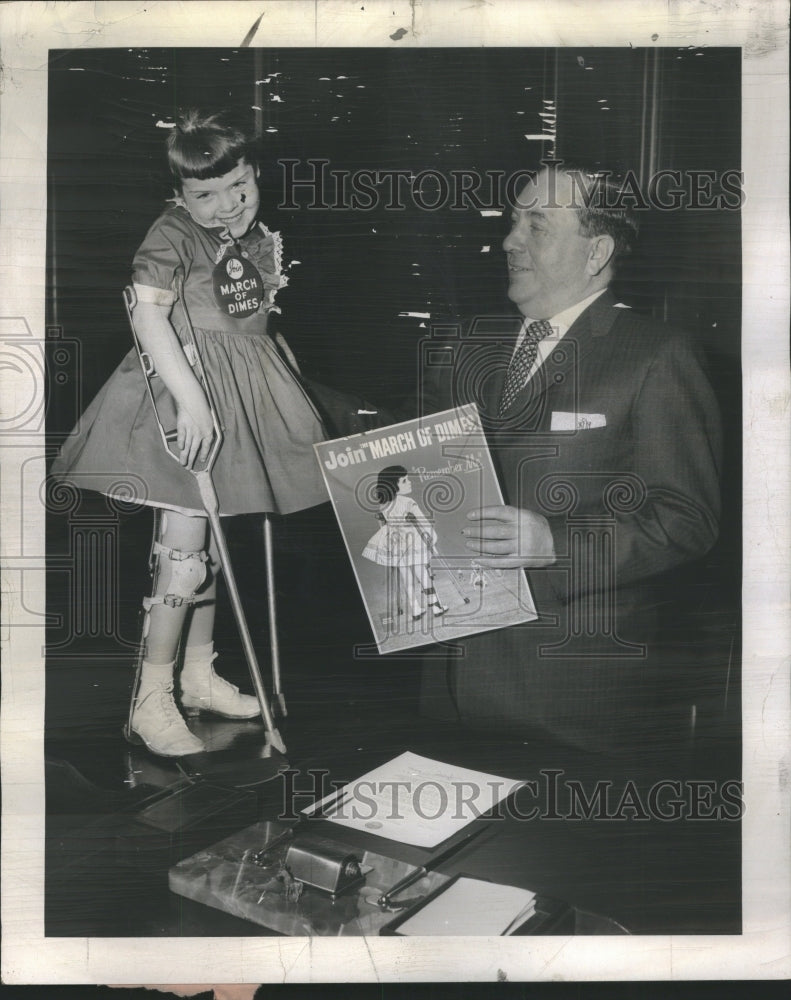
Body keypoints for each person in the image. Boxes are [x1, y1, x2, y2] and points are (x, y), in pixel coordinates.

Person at [51, 110, 330, 757]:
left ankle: (198, 674)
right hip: (180, 398)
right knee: (183, 556)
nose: (227, 205)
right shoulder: (174, 233)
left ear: (254, 173)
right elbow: (148, 318)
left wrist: (283, 373)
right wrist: (191, 399)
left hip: (240, 399)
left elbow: (252, 326)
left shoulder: (256, 237)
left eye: (239, 187)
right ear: (178, 195)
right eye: (205, 195)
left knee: (216, 536)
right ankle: (151, 700)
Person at [418, 161, 723, 752]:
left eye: (537, 226)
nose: (509, 240)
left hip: (569, 703)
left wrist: (555, 544)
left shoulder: (657, 356)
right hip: (448, 680)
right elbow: (404, 455)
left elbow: (687, 520)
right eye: (513, 222)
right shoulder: (466, 346)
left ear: (596, 250)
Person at [362, 465, 446, 622]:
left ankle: (415, 609)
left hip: (396, 545)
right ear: (394, 484)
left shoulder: (383, 505)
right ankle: (435, 605)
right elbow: (423, 523)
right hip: (414, 543)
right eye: (404, 480)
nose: (409, 482)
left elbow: (384, 527)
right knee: (422, 573)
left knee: (406, 577)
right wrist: (431, 538)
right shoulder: (408, 502)